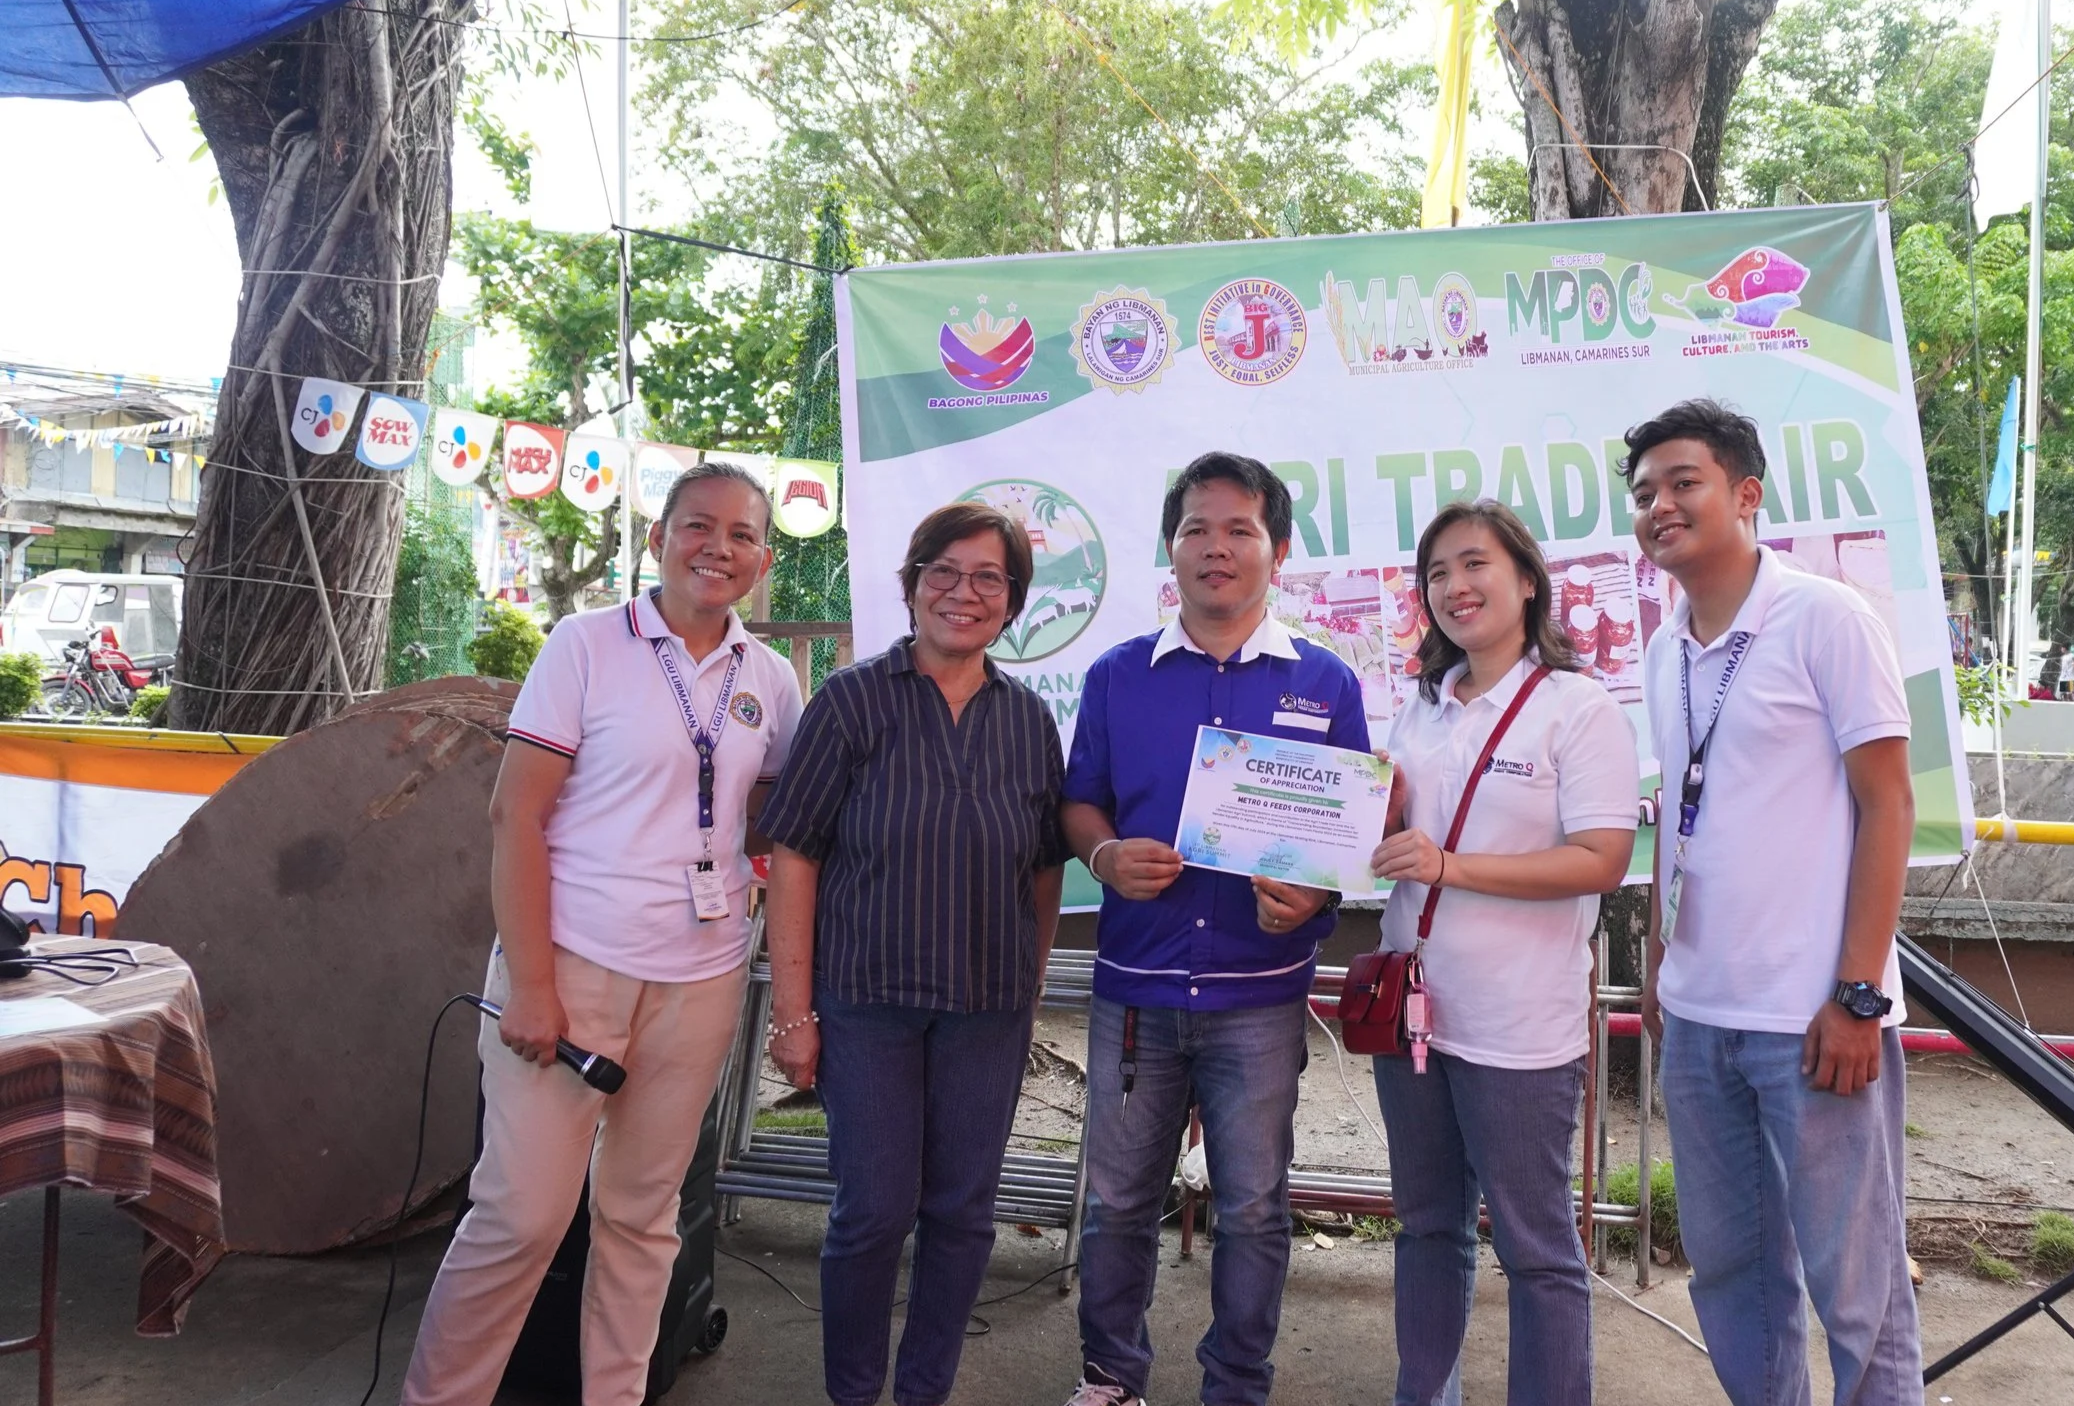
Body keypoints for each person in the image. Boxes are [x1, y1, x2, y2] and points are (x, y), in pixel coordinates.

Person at [403, 461, 803, 1406]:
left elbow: (775, 824)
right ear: (659, 536)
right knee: (520, 1219)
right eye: (699, 525)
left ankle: (614, 1397)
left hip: (700, 980)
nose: (719, 547)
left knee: (642, 1217)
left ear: (763, 558)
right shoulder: (585, 646)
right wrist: (532, 986)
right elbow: (516, 819)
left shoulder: (772, 678)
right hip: (570, 969)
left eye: (742, 534)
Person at [1625, 399, 1923, 1406]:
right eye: (1644, 492)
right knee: (1732, 1275)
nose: (1660, 505)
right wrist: (1665, 960)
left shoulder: (1826, 617)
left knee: (1858, 1291)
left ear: (1746, 494)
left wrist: (1858, 994)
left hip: (1813, 1020)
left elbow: (1890, 804)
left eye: (1682, 482)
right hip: (1701, 1015)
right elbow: (1683, 816)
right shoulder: (1666, 646)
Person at [1057, 452, 1370, 1406]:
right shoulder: (1117, 676)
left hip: (1258, 998)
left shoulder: (1325, 681)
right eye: (1197, 529)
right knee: (1114, 1204)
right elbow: (1080, 805)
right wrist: (1106, 858)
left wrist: (1313, 896)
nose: (1216, 547)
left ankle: (1237, 1384)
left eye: (1239, 529)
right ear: (1171, 549)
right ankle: (1111, 1376)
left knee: (1254, 1208)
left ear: (1276, 551)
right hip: (1136, 992)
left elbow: (1345, 837)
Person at [756, 501, 1070, 1406]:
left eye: (988, 579)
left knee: (964, 1216)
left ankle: (923, 1391)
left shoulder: (1027, 720)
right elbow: (795, 853)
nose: (962, 593)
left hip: (988, 1008)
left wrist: (1030, 981)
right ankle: (855, 1393)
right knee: (872, 1215)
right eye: (944, 572)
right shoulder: (853, 701)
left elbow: (1044, 868)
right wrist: (794, 1012)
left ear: (1010, 603)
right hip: (868, 1006)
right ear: (911, 584)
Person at [1368, 500, 1637, 1406]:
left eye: (1474, 565)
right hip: (1413, 1018)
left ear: (1527, 580)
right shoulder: (1420, 707)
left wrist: (1450, 864)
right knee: (1427, 1230)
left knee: (1536, 1249)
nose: (1454, 587)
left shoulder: (1577, 706)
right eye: (1436, 573)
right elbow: (1396, 836)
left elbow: (1602, 859)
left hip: (1519, 1027)